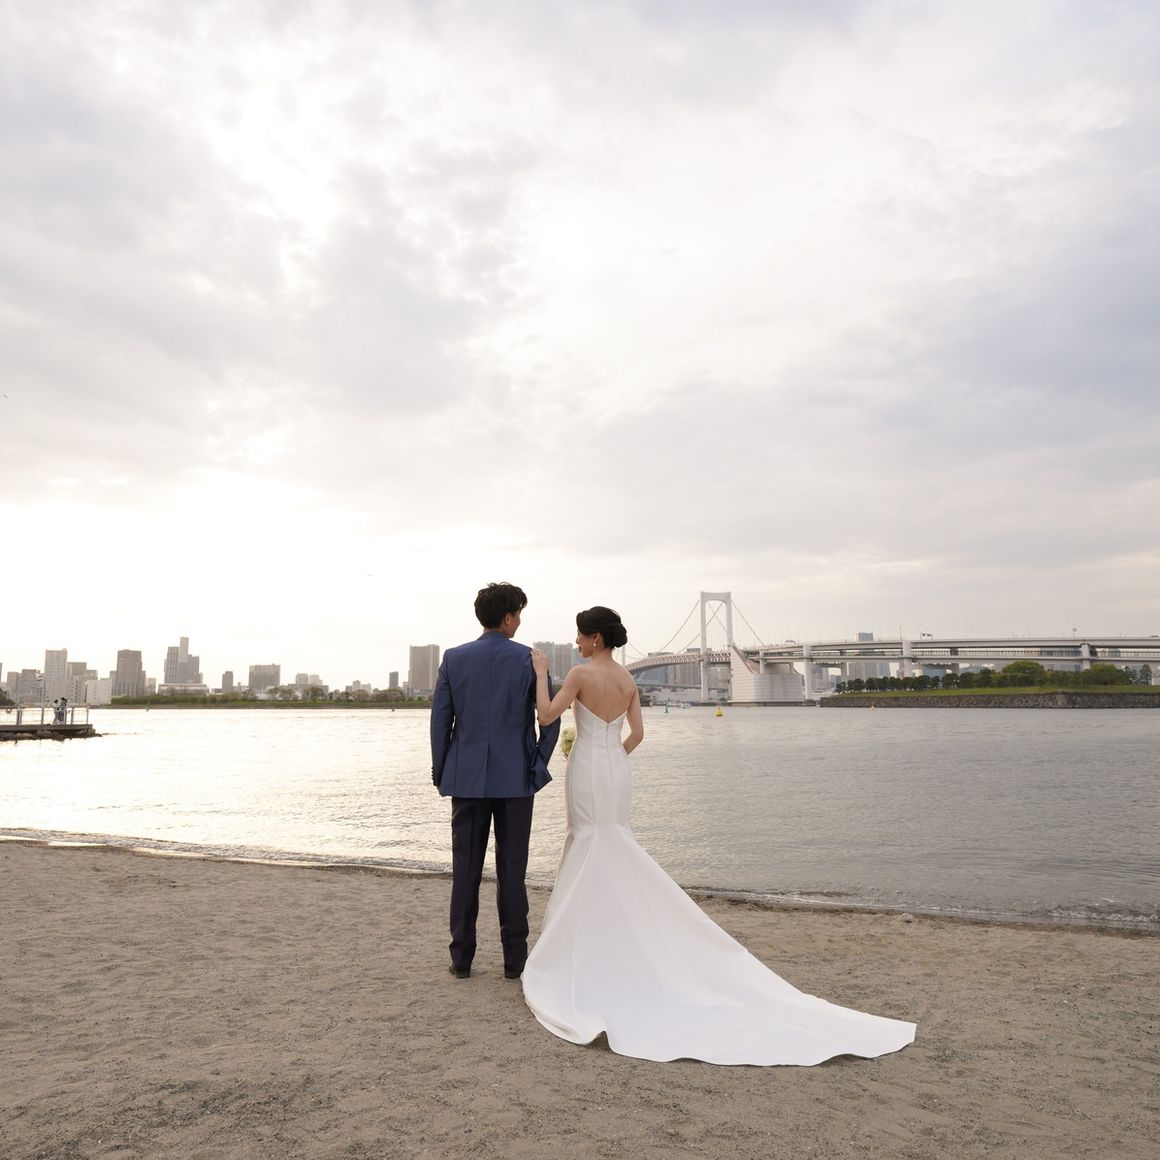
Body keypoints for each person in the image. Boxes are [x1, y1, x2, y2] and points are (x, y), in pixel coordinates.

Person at [522, 605, 916, 1066]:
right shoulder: (628, 680)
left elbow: (546, 716)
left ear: (594, 638)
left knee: (588, 843)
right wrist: (611, 754)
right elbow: (638, 735)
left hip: (588, 769)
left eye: (579, 635)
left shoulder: (579, 674)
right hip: (615, 770)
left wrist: (542, 674)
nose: (575, 641)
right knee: (612, 842)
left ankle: (583, 945)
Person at [431, 582, 561, 980]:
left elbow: (440, 721)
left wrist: (442, 772)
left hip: (466, 780)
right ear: (508, 618)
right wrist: (537, 765)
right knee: (512, 870)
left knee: (465, 870)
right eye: (518, 614)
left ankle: (462, 958)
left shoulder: (453, 658)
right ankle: (514, 959)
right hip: (517, 778)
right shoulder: (529, 660)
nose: (519, 621)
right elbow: (550, 718)